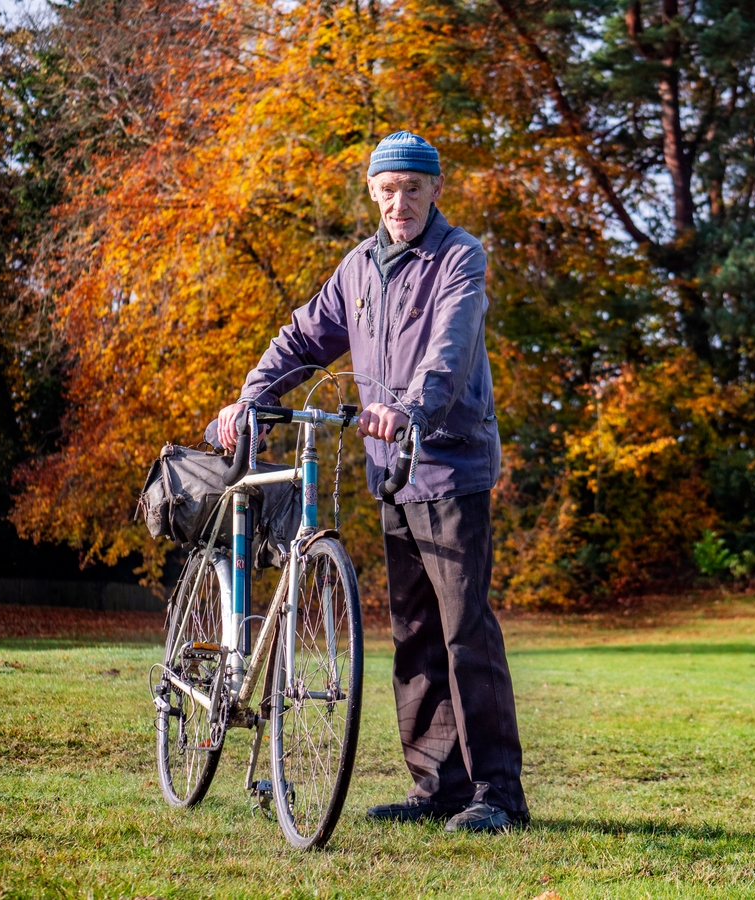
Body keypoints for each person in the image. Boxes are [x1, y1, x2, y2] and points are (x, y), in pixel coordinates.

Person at [214, 131, 527, 833]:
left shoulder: (459, 256)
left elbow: (450, 347)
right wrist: (252, 395)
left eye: (413, 188)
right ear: (372, 193)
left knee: (463, 633)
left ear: (434, 190)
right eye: (388, 189)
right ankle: (437, 789)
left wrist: (410, 407)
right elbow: (303, 338)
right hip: (392, 472)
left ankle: (498, 795)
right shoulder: (358, 267)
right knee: (414, 634)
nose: (400, 201)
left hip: (449, 462)